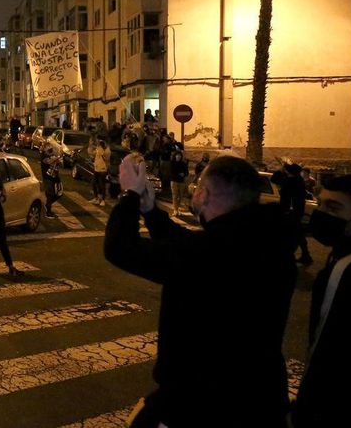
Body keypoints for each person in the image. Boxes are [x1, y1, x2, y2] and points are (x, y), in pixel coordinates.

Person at [104, 154, 297, 427]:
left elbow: (120, 249)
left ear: (204, 194)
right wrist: (150, 211)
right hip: (260, 398)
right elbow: (190, 251)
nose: (194, 190)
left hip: (203, 404)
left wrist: (130, 195)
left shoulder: (211, 251)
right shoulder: (266, 244)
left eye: (197, 186)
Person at [290, 174, 351, 428]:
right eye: (321, 205)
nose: (322, 214)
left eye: (334, 208)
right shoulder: (345, 256)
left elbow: (324, 343)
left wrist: (304, 410)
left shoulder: (349, 268)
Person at [272, 163, 314, 265]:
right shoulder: (298, 180)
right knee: (297, 232)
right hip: (296, 211)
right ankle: (305, 255)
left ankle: (292, 255)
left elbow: (274, 179)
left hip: (290, 211)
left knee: (290, 233)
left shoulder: (290, 181)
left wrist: (280, 170)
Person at [40, 145, 62, 218]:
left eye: (51, 149)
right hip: (47, 179)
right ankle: (48, 212)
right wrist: (57, 157)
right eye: (49, 150)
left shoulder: (51, 156)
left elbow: (59, 164)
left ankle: (47, 206)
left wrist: (58, 159)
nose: (51, 151)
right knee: (50, 195)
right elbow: (48, 161)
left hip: (55, 178)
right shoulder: (43, 156)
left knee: (59, 194)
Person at [88, 138, 110, 206]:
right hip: (96, 169)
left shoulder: (107, 150)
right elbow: (92, 153)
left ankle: (103, 200)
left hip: (103, 170)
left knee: (102, 185)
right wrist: (90, 146)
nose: (97, 145)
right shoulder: (98, 148)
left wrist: (101, 151)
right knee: (94, 183)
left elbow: (105, 157)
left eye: (99, 144)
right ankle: (96, 198)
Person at [169, 150, 189, 217]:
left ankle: (177, 208)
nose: (178, 157)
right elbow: (171, 172)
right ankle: (175, 210)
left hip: (181, 181)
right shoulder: (172, 163)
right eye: (177, 155)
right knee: (175, 195)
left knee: (180, 196)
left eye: (180, 155)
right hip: (174, 181)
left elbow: (187, 172)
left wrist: (184, 174)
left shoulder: (183, 163)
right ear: (175, 156)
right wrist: (178, 174)